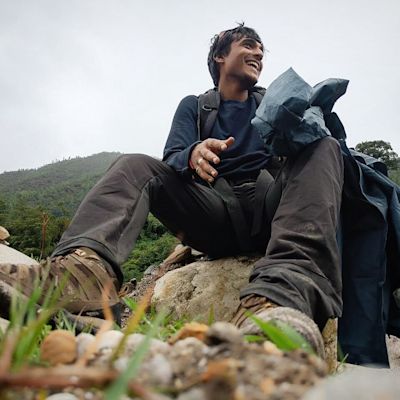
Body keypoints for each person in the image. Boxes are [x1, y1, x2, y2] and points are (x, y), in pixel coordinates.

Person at [0, 25, 343, 357]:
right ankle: (79, 277)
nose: (258, 53)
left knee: (323, 145)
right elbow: (173, 157)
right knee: (134, 164)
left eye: (260, 50)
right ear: (220, 56)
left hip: (275, 208)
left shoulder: (275, 101)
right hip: (215, 212)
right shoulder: (195, 105)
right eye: (248, 45)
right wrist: (192, 153)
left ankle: (281, 297)